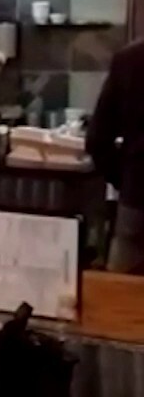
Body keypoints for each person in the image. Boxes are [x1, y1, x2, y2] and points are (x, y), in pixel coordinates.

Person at [87, 39, 144, 274]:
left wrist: (126, 178)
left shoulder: (129, 59)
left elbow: (97, 141)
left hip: (138, 196)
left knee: (121, 297)